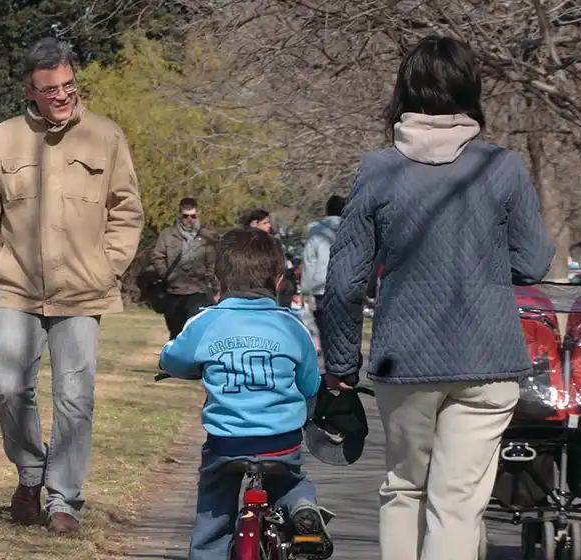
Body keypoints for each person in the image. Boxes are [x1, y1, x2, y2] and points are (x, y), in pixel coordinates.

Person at [321, 35, 554, 560]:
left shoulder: (379, 170)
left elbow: (343, 281)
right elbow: (533, 262)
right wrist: (482, 261)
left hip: (406, 359)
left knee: (404, 489)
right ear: (470, 91)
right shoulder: (501, 167)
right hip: (487, 359)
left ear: (405, 91)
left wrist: (341, 366)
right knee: (457, 506)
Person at [0, 37, 144, 534]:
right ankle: (31, 472)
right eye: (51, 89)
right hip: (18, 289)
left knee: (75, 398)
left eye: (68, 85)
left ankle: (64, 499)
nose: (63, 95)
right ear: (30, 90)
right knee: (9, 387)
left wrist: (107, 267)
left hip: (83, 292)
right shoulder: (3, 139)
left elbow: (127, 211)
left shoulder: (106, 136)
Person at [160, 227, 333, 559]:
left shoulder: (206, 322)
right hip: (280, 441)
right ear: (278, 280)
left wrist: (169, 362)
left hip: (227, 443)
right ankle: (301, 507)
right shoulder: (292, 326)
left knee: (213, 510)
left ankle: (208, 552)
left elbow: (174, 358)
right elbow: (310, 384)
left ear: (218, 279)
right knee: (290, 480)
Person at [150, 197, 217, 340]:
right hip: (174, 291)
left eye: (193, 216)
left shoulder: (206, 236)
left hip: (198, 290)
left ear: (198, 215)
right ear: (180, 215)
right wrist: (166, 275)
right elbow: (157, 257)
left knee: (196, 332)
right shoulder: (167, 235)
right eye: (185, 216)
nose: (189, 220)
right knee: (176, 333)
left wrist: (211, 283)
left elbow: (212, 263)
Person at [302, 195, 345, 358]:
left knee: (324, 328)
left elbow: (309, 261)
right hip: (346, 286)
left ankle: (329, 361)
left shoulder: (316, 231)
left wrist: (306, 290)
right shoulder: (352, 229)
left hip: (322, 286)